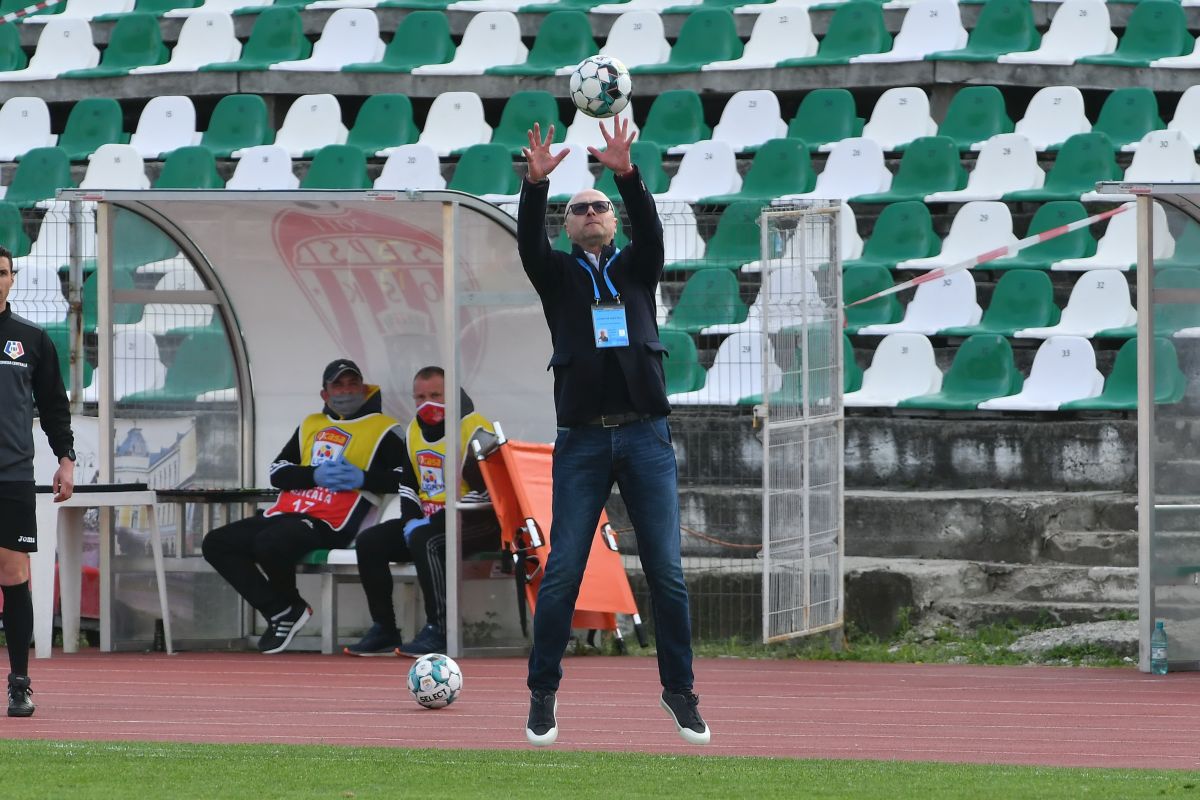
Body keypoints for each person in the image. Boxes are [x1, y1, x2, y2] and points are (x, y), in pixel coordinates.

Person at [516, 119, 710, 747]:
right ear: (567, 225)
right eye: (580, 209)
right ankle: (542, 693)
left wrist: (626, 175)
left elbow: (650, 227)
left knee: (668, 573)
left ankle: (679, 692)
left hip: (645, 436)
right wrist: (536, 188)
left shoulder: (636, 266)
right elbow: (528, 246)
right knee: (564, 567)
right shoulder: (558, 277)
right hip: (583, 442)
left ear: (613, 219)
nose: (592, 213)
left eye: (600, 206)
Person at [202, 359, 422, 654]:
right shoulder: (310, 424)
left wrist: (364, 478)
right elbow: (278, 471)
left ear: (363, 387)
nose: (346, 391)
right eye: (338, 385)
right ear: (325, 394)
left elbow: (409, 477)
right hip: (288, 511)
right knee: (216, 542)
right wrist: (313, 475)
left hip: (332, 521)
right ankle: (281, 609)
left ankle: (288, 605)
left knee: (270, 542)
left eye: (352, 384)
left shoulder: (385, 429)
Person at [345, 366, 499, 658]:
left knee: (425, 539)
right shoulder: (414, 429)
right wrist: (411, 520)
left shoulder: (475, 428)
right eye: (420, 397)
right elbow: (408, 486)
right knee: (370, 542)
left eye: (436, 395)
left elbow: (487, 492)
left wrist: (431, 522)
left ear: (451, 394)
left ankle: (439, 629)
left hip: (478, 521)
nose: (427, 402)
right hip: (432, 520)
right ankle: (384, 629)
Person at [0, 246, 76, 717]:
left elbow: (53, 406)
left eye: (2, 272)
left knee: (14, 574)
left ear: (12, 278)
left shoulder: (31, 340)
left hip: (10, 475)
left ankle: (20, 683)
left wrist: (65, 460)